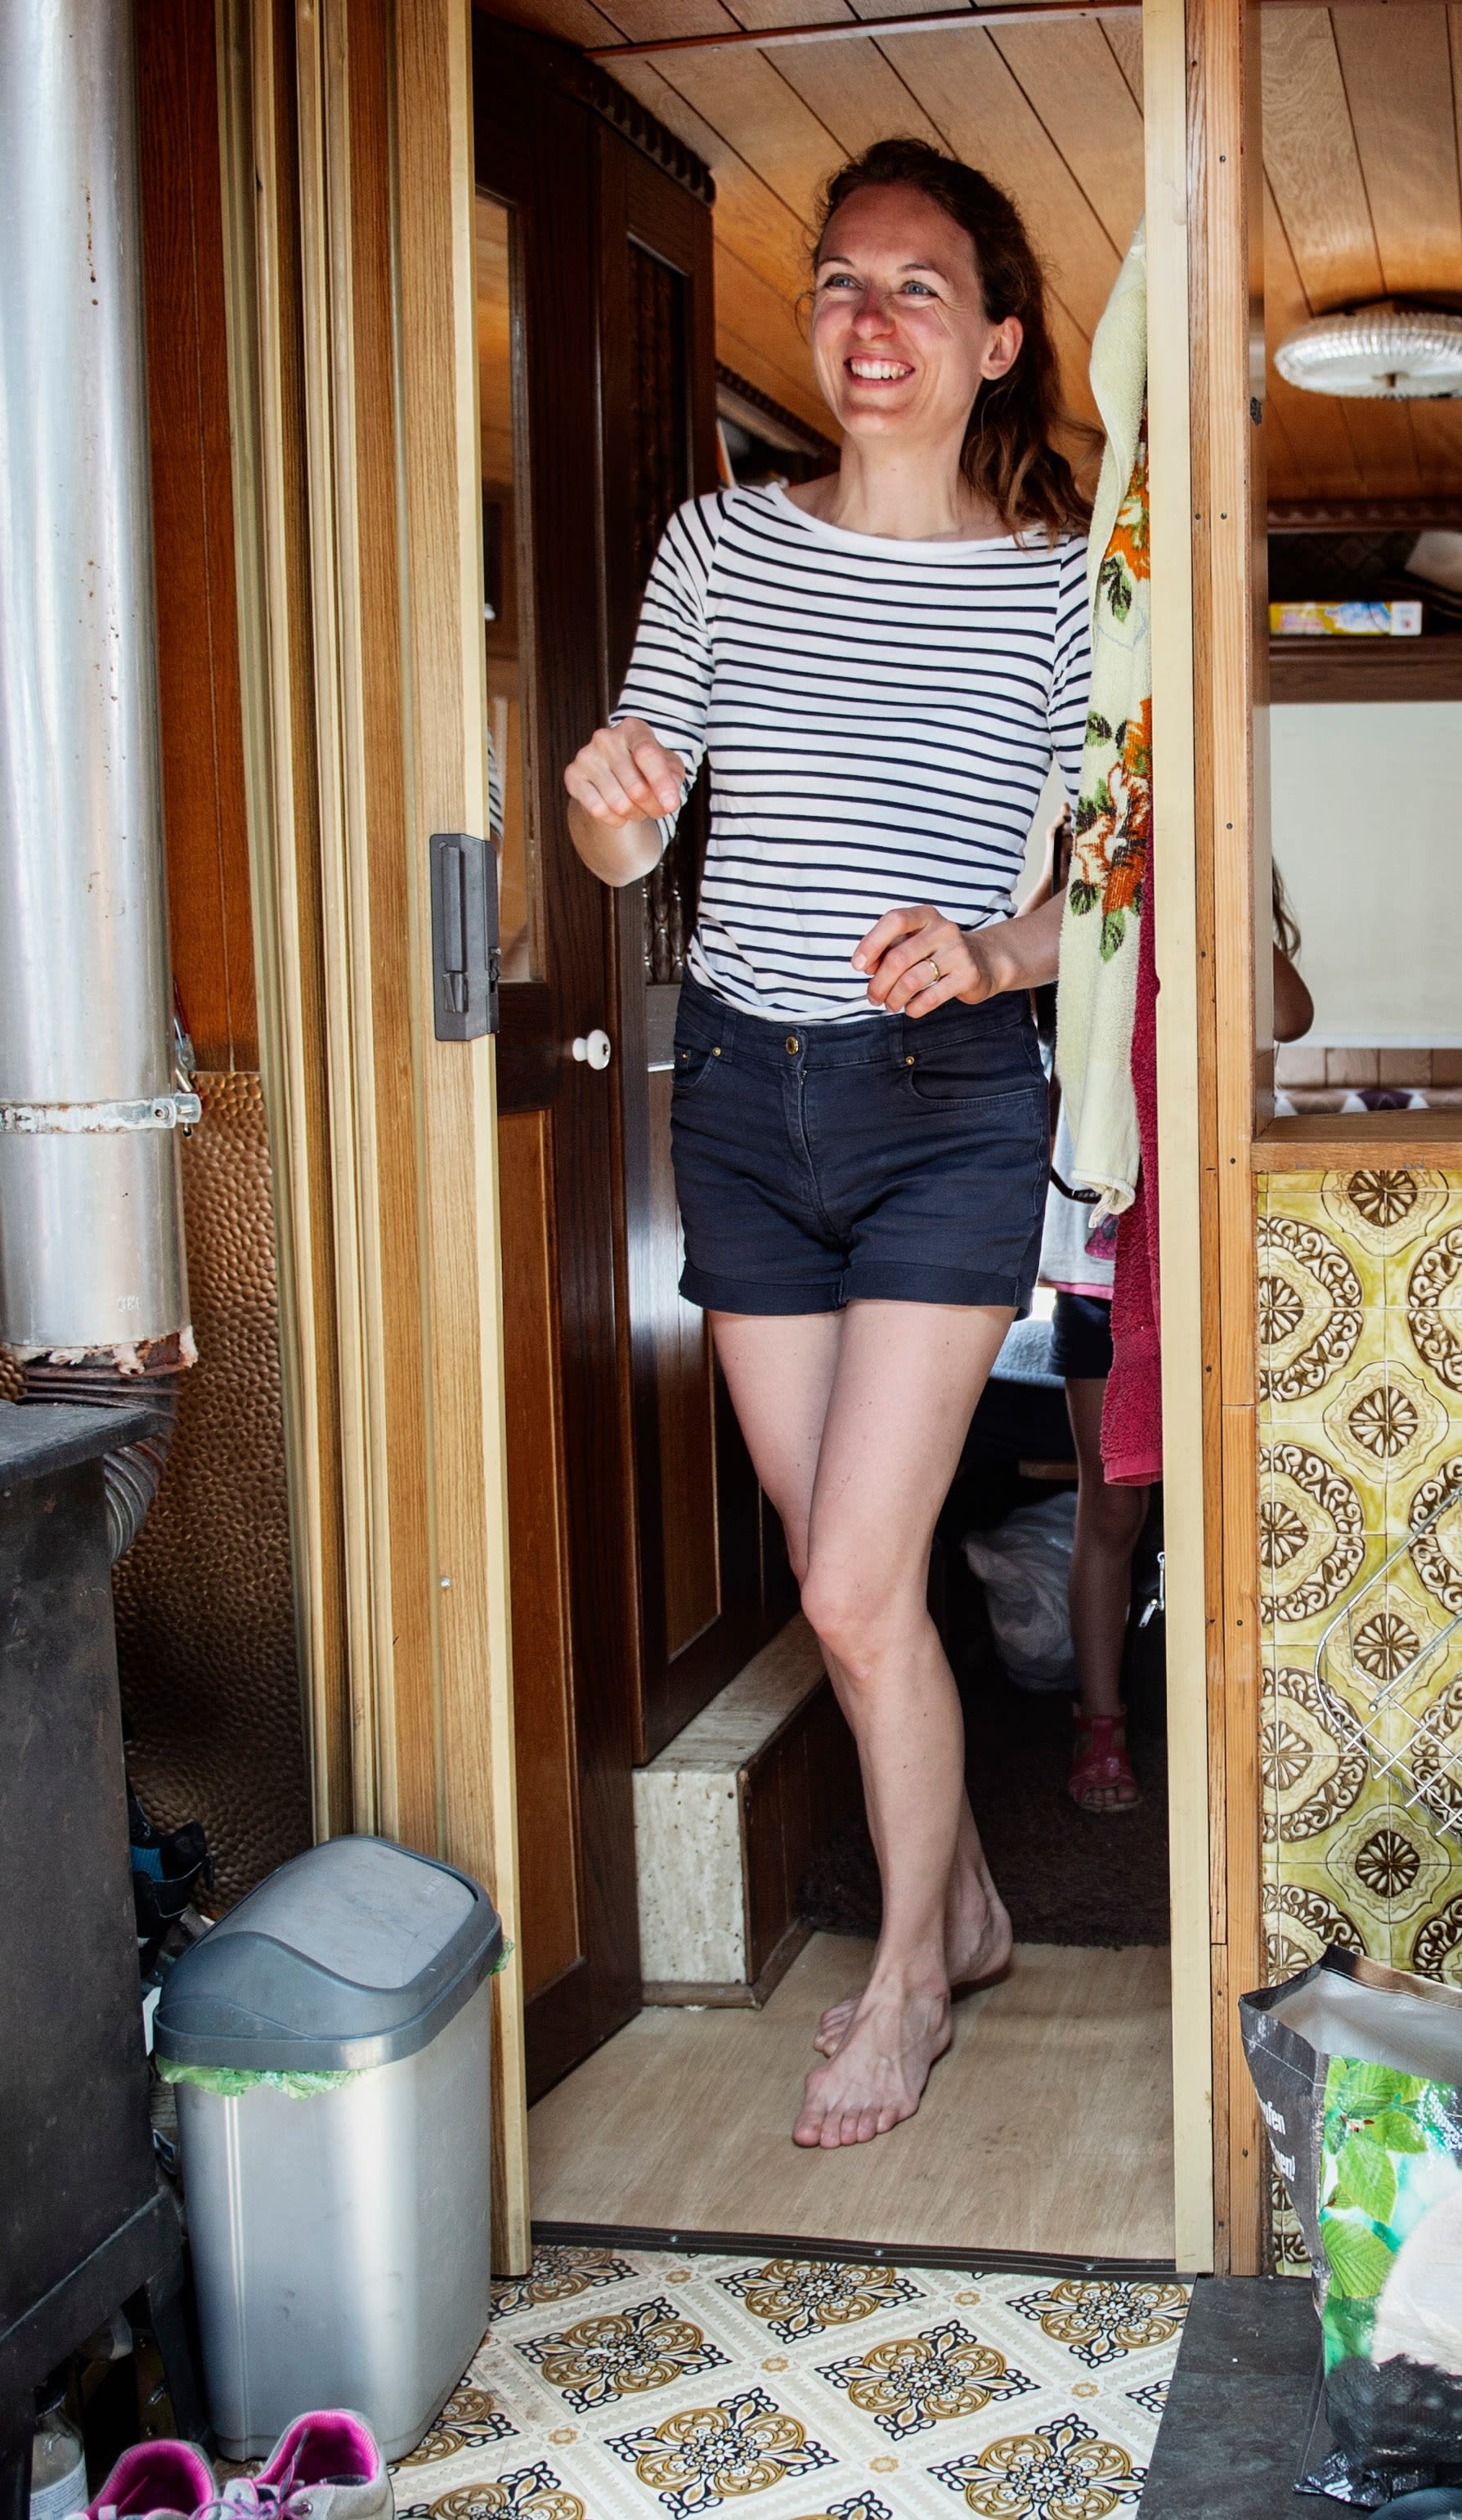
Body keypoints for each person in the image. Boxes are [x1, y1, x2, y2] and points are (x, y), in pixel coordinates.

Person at [560, 137, 1088, 2150]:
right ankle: (969, 1898)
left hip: (946, 1100)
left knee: (859, 1581)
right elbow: (631, 835)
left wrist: (992, 947)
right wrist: (610, 802)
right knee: (842, 1580)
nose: (871, 322)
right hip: (742, 1096)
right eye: (842, 286)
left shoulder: (1057, 587)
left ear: (996, 341)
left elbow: (1111, 894)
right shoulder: (718, 546)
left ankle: (907, 1978)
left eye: (918, 288)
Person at [1040, 892, 1307, 1816]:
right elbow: (1034, 997)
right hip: (1099, 1258)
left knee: (1224, 1500)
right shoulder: (1087, 892)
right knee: (1112, 1505)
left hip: (1202, 1250)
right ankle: (1101, 1723)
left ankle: (1225, 1723)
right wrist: (1083, 871)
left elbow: (1289, 1015)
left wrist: (1225, 899)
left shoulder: (1220, 899)